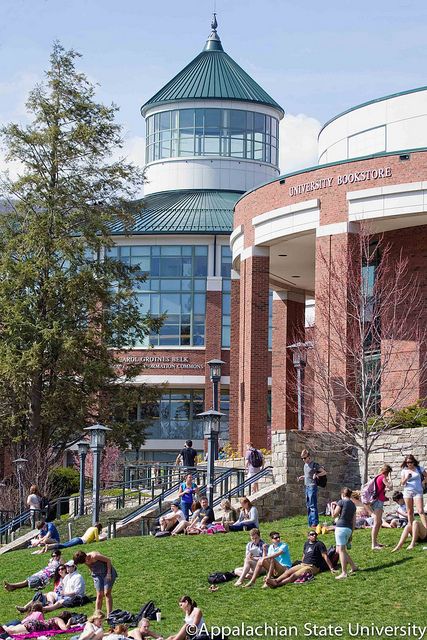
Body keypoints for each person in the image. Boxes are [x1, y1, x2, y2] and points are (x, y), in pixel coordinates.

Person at [265, 530, 336, 587]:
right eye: (312, 534)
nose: (314, 535)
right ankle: (276, 580)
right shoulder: (306, 544)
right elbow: (304, 555)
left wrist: (331, 568)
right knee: (288, 572)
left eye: (315, 534)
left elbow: (325, 556)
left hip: (312, 566)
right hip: (303, 564)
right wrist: (300, 563)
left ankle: (277, 584)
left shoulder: (319, 544)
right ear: (308, 537)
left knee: (294, 575)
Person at [74, 550, 117, 617]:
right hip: (97, 574)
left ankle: (109, 615)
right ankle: (97, 615)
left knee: (107, 593)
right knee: (99, 594)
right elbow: (89, 566)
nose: (84, 562)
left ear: (85, 556)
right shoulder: (84, 560)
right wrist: (92, 573)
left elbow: (108, 560)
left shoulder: (95, 556)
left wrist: (109, 573)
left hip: (107, 572)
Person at [331, 487, 357, 579]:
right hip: (349, 529)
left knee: (341, 550)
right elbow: (354, 521)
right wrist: (351, 533)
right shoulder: (353, 505)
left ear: (342, 494)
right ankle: (353, 566)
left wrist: (332, 507)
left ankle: (344, 572)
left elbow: (334, 515)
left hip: (341, 527)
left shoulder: (341, 502)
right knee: (340, 550)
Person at [297, 450, 326, 527]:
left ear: (309, 457)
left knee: (313, 505)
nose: (303, 460)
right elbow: (308, 475)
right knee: (308, 505)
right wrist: (302, 477)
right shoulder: (305, 465)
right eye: (302, 458)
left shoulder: (314, 464)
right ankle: (310, 523)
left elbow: (324, 472)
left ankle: (315, 523)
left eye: (304, 458)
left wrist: (317, 474)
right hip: (307, 486)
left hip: (312, 486)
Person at [2, 606, 73, 635]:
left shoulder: (56, 619)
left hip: (34, 624)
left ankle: (2, 629)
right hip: (35, 625)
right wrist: (70, 621)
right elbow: (65, 628)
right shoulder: (58, 620)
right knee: (11, 631)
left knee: (11, 630)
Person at [399, 455, 427, 528]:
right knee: (410, 511)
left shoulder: (419, 468)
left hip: (418, 491)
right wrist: (407, 478)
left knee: (420, 510)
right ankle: (411, 528)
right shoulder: (404, 470)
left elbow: (426, 476)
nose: (409, 464)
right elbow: (402, 483)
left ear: (413, 462)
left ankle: (426, 528)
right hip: (408, 492)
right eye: (407, 462)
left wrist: (424, 481)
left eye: (410, 462)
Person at [370, 464, 393, 550]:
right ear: (387, 472)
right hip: (378, 502)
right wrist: (390, 479)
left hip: (377, 501)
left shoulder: (378, 477)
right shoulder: (383, 477)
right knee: (377, 523)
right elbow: (390, 487)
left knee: (379, 522)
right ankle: (373, 544)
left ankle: (375, 542)